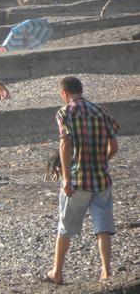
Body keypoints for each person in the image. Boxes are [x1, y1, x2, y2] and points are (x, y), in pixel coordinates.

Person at [43, 77, 119, 285]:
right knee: (103, 226)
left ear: (64, 93)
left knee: (66, 226)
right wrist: (101, 161)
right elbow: (114, 147)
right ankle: (106, 272)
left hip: (77, 179)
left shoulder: (64, 112)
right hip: (101, 178)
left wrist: (66, 178)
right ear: (81, 90)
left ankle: (57, 272)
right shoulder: (101, 111)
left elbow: (65, 144)